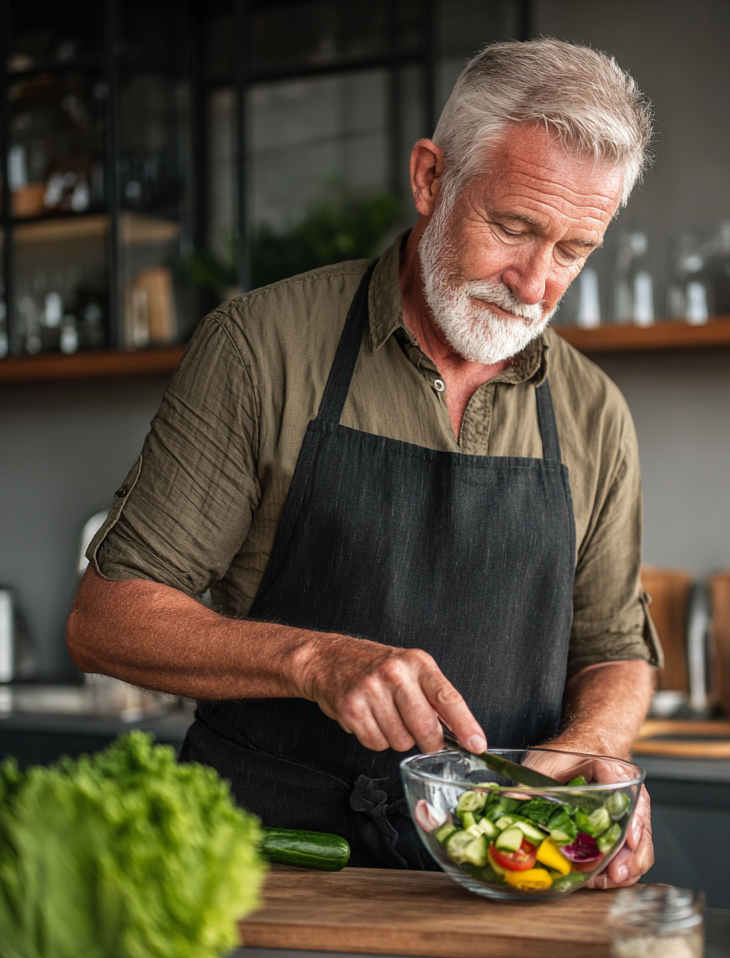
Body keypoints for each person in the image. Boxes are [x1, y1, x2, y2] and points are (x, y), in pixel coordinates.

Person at [67, 38, 660, 887]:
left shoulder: (594, 412)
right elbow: (104, 619)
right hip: (263, 864)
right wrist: (313, 661)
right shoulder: (260, 349)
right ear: (430, 178)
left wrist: (592, 752)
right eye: (514, 228)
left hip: (493, 875)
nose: (535, 284)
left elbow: (615, 649)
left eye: (574, 250)